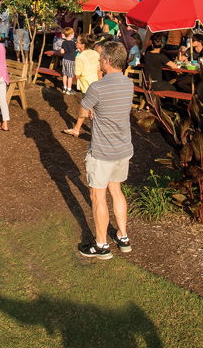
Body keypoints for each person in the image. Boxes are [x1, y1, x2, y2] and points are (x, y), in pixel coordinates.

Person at [75, 42, 135, 259]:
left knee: (97, 195)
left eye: (101, 59)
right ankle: (123, 236)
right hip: (123, 148)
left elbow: (82, 109)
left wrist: (88, 111)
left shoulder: (97, 87)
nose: (99, 62)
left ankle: (101, 245)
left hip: (102, 151)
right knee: (116, 190)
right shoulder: (128, 84)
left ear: (108, 62)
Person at [59, 27, 77, 94]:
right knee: (70, 75)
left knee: (64, 74)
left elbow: (62, 52)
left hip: (64, 59)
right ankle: (69, 89)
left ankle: (64, 87)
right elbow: (77, 49)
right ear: (71, 35)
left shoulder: (63, 42)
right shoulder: (73, 43)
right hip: (71, 60)